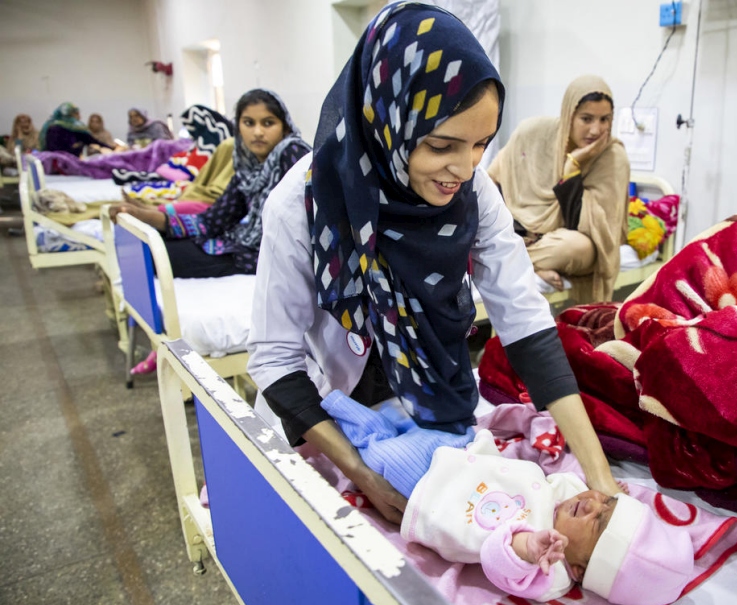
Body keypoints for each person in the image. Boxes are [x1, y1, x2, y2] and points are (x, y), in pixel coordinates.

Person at [247, 2, 622, 527]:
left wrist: (599, 477)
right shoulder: (303, 205)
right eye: (441, 145)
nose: (464, 169)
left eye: (481, 144)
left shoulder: (473, 190)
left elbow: (522, 316)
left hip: (428, 399)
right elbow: (275, 362)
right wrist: (366, 477)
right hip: (326, 416)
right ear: (388, 120)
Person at [318, 389, 695, 605]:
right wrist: (617, 495)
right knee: (412, 418)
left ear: (579, 569)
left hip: (428, 492)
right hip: (463, 449)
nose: (593, 505)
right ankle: (376, 409)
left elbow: (500, 564)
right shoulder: (568, 498)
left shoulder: (552, 570)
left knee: (382, 450)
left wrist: (528, 548)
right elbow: (570, 480)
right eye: (606, 505)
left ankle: (330, 401)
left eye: (597, 523)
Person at [111, 89, 310, 278]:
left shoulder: (292, 154)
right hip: (245, 243)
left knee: (153, 256)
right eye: (249, 123)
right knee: (155, 243)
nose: (257, 132)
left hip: (270, 257)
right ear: (238, 127)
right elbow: (213, 220)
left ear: (284, 127)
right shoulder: (247, 167)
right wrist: (146, 216)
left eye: (268, 123)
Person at [486, 75, 630, 303]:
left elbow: (594, 232)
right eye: (586, 119)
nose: (596, 130)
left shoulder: (612, 157)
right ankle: (527, 263)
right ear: (568, 115)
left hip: (568, 244)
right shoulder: (535, 133)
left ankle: (516, 262)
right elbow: (491, 182)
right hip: (520, 234)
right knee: (481, 231)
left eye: (605, 120)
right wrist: (507, 229)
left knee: (576, 247)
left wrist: (572, 167)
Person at [39, 102, 119, 156]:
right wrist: (112, 148)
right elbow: (90, 141)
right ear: (70, 114)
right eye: (76, 114)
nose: (79, 117)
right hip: (64, 163)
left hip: (54, 163)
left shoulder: (50, 126)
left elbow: (90, 141)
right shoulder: (58, 129)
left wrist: (111, 147)